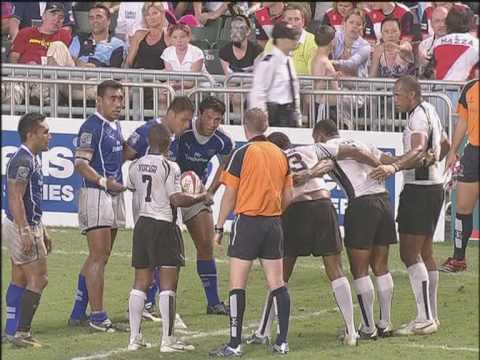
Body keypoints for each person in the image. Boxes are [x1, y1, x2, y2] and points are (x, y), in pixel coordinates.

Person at [246, 128, 387, 347]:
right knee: (336, 270)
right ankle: (352, 332)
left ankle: (263, 331)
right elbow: (335, 159)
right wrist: (312, 173)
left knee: (280, 276)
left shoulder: (272, 157)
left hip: (295, 209)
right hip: (323, 205)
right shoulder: (310, 149)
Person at [208, 109, 293, 357]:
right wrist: (274, 212)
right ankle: (283, 341)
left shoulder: (242, 153)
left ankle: (234, 344)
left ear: (246, 127)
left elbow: (230, 194)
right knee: (277, 284)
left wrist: (219, 226)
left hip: (248, 223)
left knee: (237, 284)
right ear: (266, 126)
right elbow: (290, 196)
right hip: (273, 223)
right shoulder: (280, 154)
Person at [370, 75, 450, 336]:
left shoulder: (417, 117)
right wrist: (434, 161)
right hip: (434, 188)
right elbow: (445, 144)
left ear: (412, 95)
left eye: (398, 94)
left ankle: (424, 318)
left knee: (408, 253)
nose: (395, 99)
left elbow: (416, 149)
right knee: (426, 253)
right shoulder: (431, 112)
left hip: (419, 191)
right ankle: (431, 315)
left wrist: (394, 166)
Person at [310, 120, 398, 339]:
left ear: (320, 136)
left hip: (362, 205)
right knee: (381, 266)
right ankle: (385, 323)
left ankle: (368, 328)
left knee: (359, 270)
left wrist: (310, 173)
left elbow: (344, 158)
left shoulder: (331, 148)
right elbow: (390, 160)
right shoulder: (361, 140)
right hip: (384, 200)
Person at [126, 123, 209, 352]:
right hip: (164, 225)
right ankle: (168, 339)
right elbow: (176, 200)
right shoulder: (170, 166)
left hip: (142, 224)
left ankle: (134, 338)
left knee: (140, 282)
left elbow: (134, 190)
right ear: (168, 144)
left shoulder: (134, 166)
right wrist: (201, 196)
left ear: (149, 143)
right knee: (168, 284)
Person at [124, 96, 194, 323]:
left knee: (156, 257)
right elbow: (125, 154)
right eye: (183, 120)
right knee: (157, 257)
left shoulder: (172, 139)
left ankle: (150, 302)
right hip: (150, 209)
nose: (185, 126)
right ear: (171, 114)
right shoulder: (147, 131)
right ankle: (149, 302)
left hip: (162, 209)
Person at [68, 80, 128, 332]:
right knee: (97, 256)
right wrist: (104, 181)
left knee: (102, 257)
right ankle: (98, 316)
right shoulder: (91, 127)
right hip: (96, 194)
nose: (118, 103)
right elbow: (80, 164)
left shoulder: (115, 125)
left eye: (120, 98)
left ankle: (78, 313)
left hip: (113, 194)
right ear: (99, 101)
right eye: (112, 98)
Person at [175, 97, 234, 315]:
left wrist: (210, 191)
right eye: (209, 118)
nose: (212, 123)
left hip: (196, 193)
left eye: (217, 119)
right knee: (166, 251)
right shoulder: (182, 130)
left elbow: (225, 165)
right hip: (170, 192)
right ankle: (151, 301)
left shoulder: (223, 140)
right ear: (200, 114)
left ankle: (213, 302)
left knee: (206, 246)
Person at [2, 113, 51, 347]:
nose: (49, 136)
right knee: (39, 279)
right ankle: (22, 333)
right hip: (21, 226)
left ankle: (10, 330)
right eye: (45, 132)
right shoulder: (23, 160)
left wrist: (42, 227)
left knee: (20, 278)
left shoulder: (30, 158)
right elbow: (15, 198)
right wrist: (24, 231)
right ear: (31, 134)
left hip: (27, 224)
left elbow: (30, 199)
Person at [440, 79, 479, 272]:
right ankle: (458, 259)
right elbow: (463, 121)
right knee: (462, 208)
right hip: (473, 153)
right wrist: (453, 150)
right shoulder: (470, 88)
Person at [249, 21, 301, 128]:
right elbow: (258, 92)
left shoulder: (288, 60)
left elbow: (294, 91)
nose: (294, 40)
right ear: (280, 40)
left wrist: (297, 116)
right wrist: (261, 122)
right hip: (274, 115)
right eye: (290, 37)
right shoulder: (269, 62)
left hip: (289, 114)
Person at [219, 15, 262, 115]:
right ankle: (226, 125)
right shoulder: (224, 52)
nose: (236, 32)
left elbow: (256, 78)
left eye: (240, 28)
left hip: (252, 85)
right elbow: (229, 79)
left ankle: (240, 126)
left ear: (247, 32)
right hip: (233, 85)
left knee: (238, 97)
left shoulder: (257, 50)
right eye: (233, 28)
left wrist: (238, 84)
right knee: (222, 96)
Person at [264, 4, 318, 76]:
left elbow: (313, 71)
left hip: (306, 85)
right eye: (289, 19)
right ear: (283, 21)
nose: (293, 23)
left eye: (297, 19)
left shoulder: (312, 40)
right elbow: (267, 68)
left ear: (303, 21)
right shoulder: (273, 41)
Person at [432, 7, 478, 81]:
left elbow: (434, 72)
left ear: (448, 22)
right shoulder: (476, 44)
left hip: (441, 90)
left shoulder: (438, 43)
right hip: (466, 90)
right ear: (469, 22)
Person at [160, 23, 208, 91]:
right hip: (177, 87)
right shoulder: (167, 52)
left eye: (182, 37)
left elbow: (191, 83)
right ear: (170, 39)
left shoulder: (197, 52)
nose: (179, 40)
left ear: (189, 37)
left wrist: (171, 85)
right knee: (161, 94)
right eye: (175, 37)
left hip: (199, 88)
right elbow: (171, 78)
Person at [126, 2, 168, 70]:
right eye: (147, 14)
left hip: (160, 78)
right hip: (138, 77)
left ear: (162, 14)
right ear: (145, 18)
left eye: (155, 13)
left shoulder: (168, 36)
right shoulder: (139, 35)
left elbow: (172, 65)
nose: (152, 17)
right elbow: (128, 62)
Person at [331, 8, 371, 78]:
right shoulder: (335, 36)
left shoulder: (365, 46)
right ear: (344, 23)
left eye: (358, 24)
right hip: (336, 81)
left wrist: (329, 62)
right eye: (351, 22)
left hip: (357, 85)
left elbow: (352, 64)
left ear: (363, 27)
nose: (354, 26)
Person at [10, 2, 76, 41]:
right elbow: (14, 21)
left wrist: (54, 43)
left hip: (53, 43)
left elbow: (67, 28)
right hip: (27, 41)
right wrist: (17, 42)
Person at [417, 6, 448, 79]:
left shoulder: (457, 43)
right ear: (431, 24)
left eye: (444, 21)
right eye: (437, 21)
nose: (442, 24)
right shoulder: (423, 45)